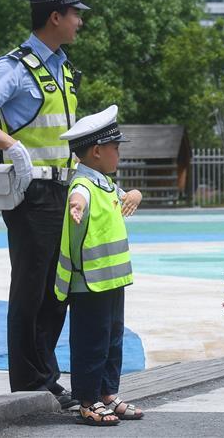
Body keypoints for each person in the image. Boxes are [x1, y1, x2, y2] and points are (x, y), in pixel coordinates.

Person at [0, 0, 89, 407]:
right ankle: (31, 383)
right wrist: (11, 147)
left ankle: (46, 377)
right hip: (32, 193)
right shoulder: (15, 66)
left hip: (63, 190)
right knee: (32, 288)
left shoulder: (63, 67)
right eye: (75, 14)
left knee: (57, 289)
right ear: (55, 17)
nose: (79, 22)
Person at [55, 105, 143, 426]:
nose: (118, 154)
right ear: (96, 151)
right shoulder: (84, 185)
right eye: (115, 148)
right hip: (89, 282)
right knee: (91, 341)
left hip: (112, 280)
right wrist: (75, 207)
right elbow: (77, 197)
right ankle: (87, 400)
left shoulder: (104, 183)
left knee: (111, 340)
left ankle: (107, 393)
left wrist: (135, 194)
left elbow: (125, 195)